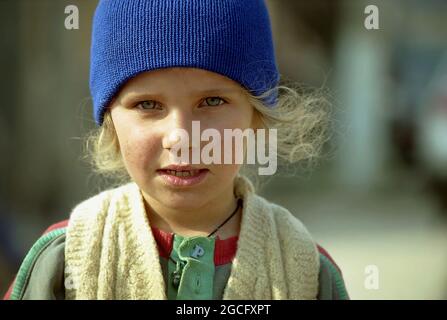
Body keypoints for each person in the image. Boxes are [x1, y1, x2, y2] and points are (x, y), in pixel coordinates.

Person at [4, 0, 349, 300]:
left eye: (212, 101)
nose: (181, 136)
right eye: (148, 104)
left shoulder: (303, 271)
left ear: (256, 117)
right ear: (111, 124)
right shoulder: (67, 263)